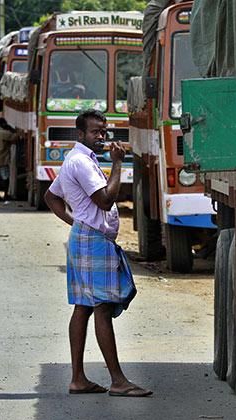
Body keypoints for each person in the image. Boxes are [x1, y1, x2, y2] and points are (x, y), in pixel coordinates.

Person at [44, 109, 152, 398]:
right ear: (81, 135)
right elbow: (105, 200)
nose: (101, 137)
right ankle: (118, 380)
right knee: (102, 307)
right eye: (95, 132)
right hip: (92, 241)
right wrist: (118, 164)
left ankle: (78, 378)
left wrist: (77, 222)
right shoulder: (81, 162)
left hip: (86, 237)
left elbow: (52, 196)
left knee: (84, 306)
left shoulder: (78, 159)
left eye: (104, 132)